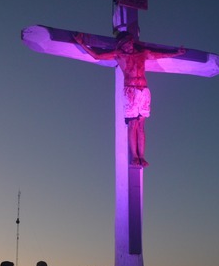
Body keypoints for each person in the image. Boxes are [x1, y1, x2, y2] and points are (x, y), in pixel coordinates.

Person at [74, 31, 185, 167]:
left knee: (141, 126)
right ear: (121, 45)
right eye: (124, 44)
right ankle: (135, 156)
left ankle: (142, 156)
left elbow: (160, 55)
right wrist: (81, 43)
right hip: (130, 91)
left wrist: (176, 53)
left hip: (143, 90)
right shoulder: (119, 55)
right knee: (133, 125)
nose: (128, 46)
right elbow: (97, 56)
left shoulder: (142, 53)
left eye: (129, 43)